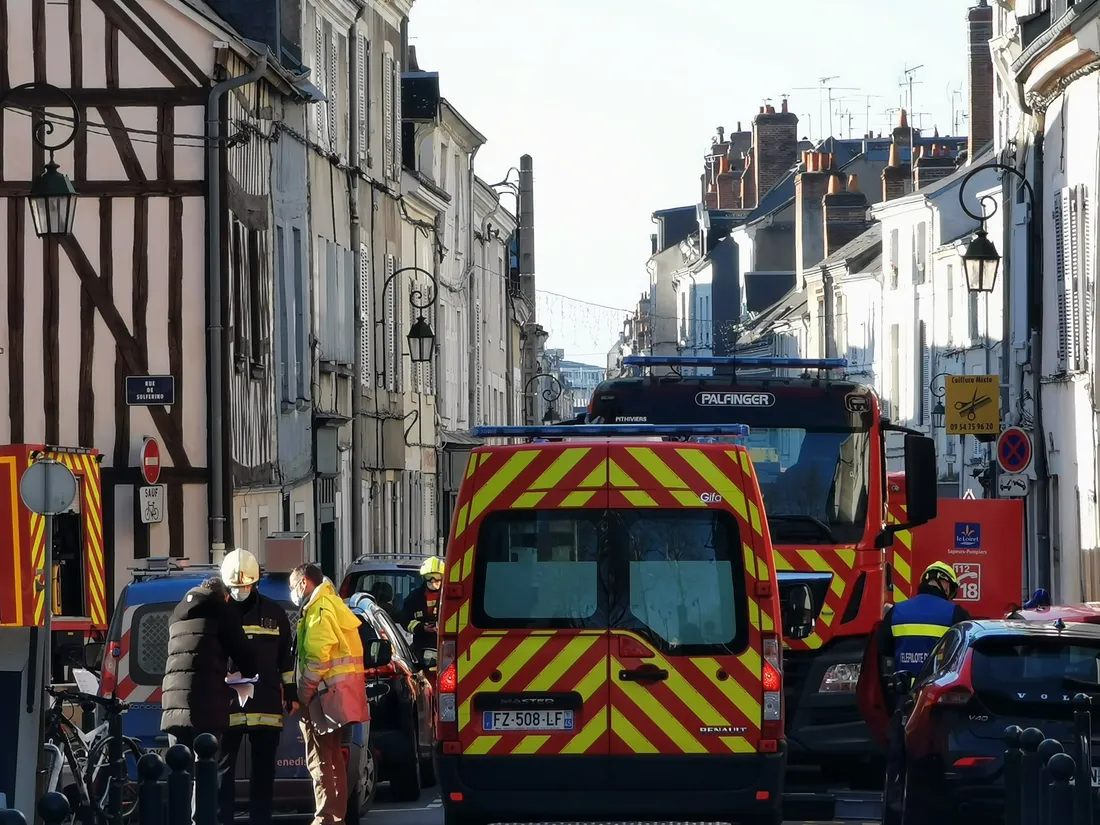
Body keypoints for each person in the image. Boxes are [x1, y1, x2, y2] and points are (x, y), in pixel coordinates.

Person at [876, 561, 970, 810]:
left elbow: (882, 657)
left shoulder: (896, 612)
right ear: (945, 583)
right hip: (938, 707)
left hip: (902, 701)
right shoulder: (955, 614)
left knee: (898, 766)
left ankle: (896, 807)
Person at [217, 549, 296, 825]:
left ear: (256, 583)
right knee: (222, 771)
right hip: (227, 705)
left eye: (246, 586)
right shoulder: (218, 614)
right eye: (236, 587)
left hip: (265, 704)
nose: (241, 591)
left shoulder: (274, 613)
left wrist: (292, 693)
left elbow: (286, 657)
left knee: (263, 775)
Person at [290, 563, 370, 825]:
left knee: (321, 761)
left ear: (304, 583)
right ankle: (336, 816)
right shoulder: (334, 604)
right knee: (334, 760)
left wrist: (302, 695)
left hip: (321, 699)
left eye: (293, 586)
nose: (293, 592)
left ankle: (326, 818)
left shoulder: (318, 611)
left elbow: (316, 660)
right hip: (338, 698)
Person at [161, 576, 259, 748]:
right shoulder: (222, 612)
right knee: (205, 766)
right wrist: (246, 673)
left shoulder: (176, 616)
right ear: (225, 597)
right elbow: (246, 657)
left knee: (179, 767)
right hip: (206, 706)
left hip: (174, 706)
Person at [401, 556, 444, 663]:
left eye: (437, 577)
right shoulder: (415, 597)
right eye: (429, 577)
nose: (433, 581)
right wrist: (422, 627)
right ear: (424, 578)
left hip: (446, 645)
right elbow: (405, 620)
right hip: (422, 646)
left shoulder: (449, 595)